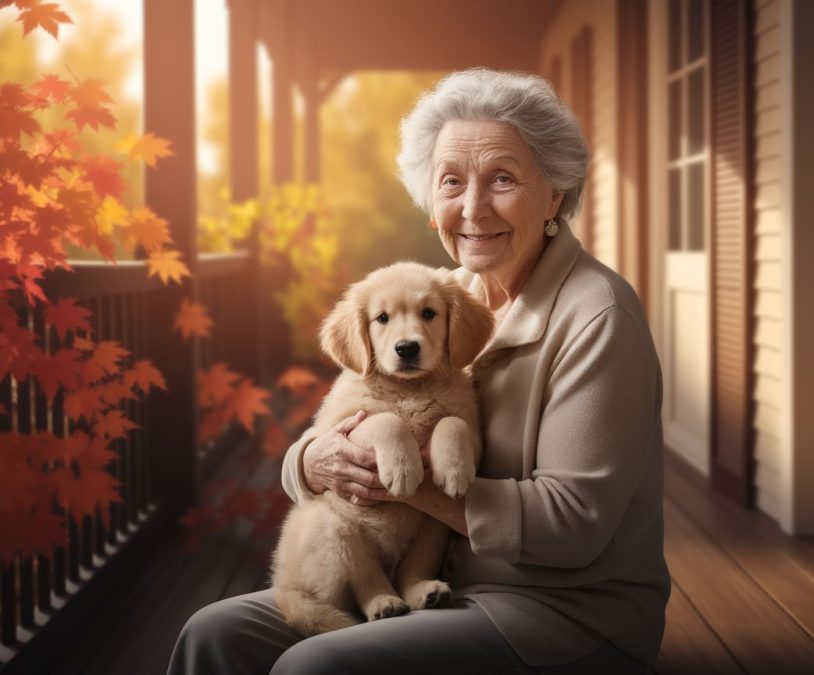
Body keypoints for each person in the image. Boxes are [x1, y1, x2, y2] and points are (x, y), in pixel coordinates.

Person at [168, 68, 670, 675]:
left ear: (556, 193)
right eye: (451, 182)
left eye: (503, 178)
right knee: (211, 634)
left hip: (556, 612)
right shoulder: (439, 298)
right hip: (417, 578)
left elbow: (573, 526)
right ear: (431, 204)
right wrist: (312, 461)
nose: (473, 207)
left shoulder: (597, 317)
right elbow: (334, 426)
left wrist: (400, 481)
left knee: (314, 668)